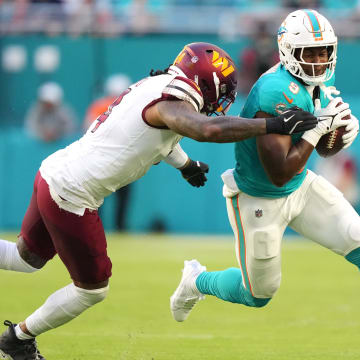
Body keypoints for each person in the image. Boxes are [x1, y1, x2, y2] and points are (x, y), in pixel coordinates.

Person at [0, 42, 317, 359]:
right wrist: (272, 124)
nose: (220, 101)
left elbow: (154, 136)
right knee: (92, 289)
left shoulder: (158, 85)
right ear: (207, 83)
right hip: (71, 194)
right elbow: (204, 129)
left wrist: (186, 165)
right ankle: (18, 339)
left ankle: (18, 338)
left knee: (25, 258)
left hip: (53, 173)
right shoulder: (172, 100)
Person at [170, 11, 360, 323]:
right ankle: (196, 280)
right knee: (258, 294)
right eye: (308, 53)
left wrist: (340, 137)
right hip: (259, 196)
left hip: (300, 185)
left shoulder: (322, 77)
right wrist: (317, 131)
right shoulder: (275, 91)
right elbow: (278, 171)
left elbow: (324, 151)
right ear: (288, 52)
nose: (318, 60)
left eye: (323, 51)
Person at [84, 73, 132, 231]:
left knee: (99, 196)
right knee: (117, 196)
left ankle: (97, 226)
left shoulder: (100, 105)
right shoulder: (130, 105)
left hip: (103, 157)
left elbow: (88, 129)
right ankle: (119, 227)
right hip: (120, 157)